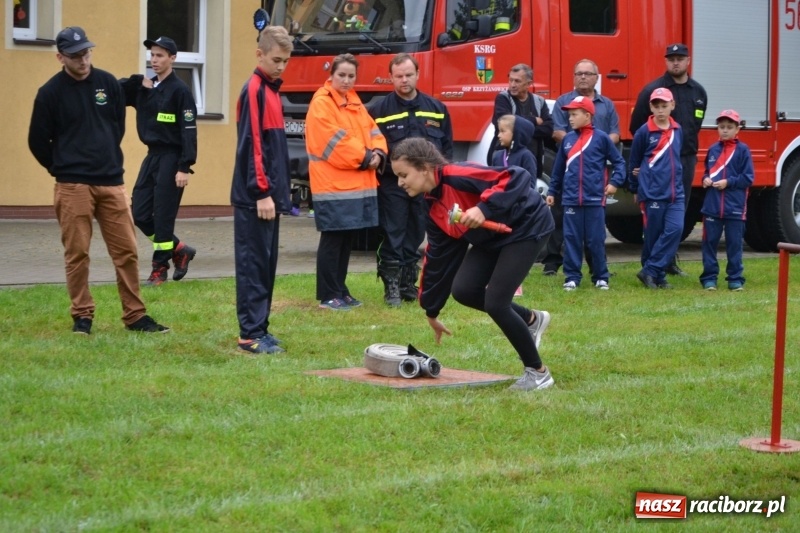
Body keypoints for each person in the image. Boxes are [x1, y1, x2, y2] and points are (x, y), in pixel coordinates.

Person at [27, 26, 169, 334]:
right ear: (60, 58)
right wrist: (61, 168)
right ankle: (82, 315)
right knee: (77, 254)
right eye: (75, 56)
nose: (83, 60)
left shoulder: (107, 84)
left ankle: (135, 316)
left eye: (86, 53)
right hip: (72, 185)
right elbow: (37, 141)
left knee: (126, 251)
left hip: (111, 182)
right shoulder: (50, 93)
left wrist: (105, 158)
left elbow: (116, 126)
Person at [390, 137, 555, 391]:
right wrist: (431, 310)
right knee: (464, 290)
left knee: (496, 303)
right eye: (398, 177)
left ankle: (538, 373)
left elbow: (515, 177)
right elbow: (438, 257)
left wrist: (483, 208)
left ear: (424, 168)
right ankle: (531, 320)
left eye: (404, 175)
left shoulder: (457, 174)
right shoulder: (431, 206)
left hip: (526, 226)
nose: (400, 183)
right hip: (492, 239)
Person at [369, 53, 453, 307]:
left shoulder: (437, 109)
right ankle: (391, 287)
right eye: (398, 76)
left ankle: (407, 284)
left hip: (425, 187)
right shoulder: (378, 111)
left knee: (416, 234)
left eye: (408, 75)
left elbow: (446, 150)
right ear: (391, 77)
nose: (404, 80)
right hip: (392, 185)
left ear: (418, 74)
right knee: (393, 233)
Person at [229, 26, 294, 354]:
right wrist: (262, 192)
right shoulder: (254, 89)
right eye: (276, 60)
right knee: (253, 265)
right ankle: (249, 334)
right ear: (260, 55)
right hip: (255, 198)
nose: (281, 67)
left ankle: (261, 328)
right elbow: (252, 145)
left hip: (270, 198)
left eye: (285, 61)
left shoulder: (271, 90)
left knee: (266, 265)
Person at [306, 53, 388, 311]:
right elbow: (335, 143)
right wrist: (368, 157)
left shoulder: (353, 101)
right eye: (341, 75)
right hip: (332, 186)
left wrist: (379, 153)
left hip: (352, 186)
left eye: (351, 76)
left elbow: (374, 132)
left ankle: (340, 290)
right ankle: (328, 295)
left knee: (345, 240)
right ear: (331, 75)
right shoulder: (322, 102)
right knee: (333, 240)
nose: (346, 80)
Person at [119, 36, 198, 286]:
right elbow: (115, 90)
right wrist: (137, 82)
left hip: (172, 159)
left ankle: (159, 269)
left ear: (172, 58)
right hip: (152, 156)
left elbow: (188, 130)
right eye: (152, 55)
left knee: (163, 216)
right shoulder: (146, 88)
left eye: (160, 55)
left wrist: (184, 166)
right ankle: (180, 249)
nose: (154, 60)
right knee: (140, 213)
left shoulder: (180, 91)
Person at [630, 43, 708, 277]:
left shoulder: (699, 92)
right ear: (666, 61)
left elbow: (696, 125)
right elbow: (637, 128)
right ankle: (652, 264)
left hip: (685, 160)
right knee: (656, 217)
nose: (676, 62)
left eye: (680, 58)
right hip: (658, 163)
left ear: (688, 61)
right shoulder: (653, 90)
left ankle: (668, 261)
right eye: (671, 58)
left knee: (677, 214)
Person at [544, 59, 621, 276]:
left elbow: (615, 133)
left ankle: (598, 269)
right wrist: (579, 146)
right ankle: (554, 263)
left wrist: (598, 146)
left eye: (588, 73)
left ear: (597, 78)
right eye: (579, 73)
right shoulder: (563, 101)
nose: (583, 77)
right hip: (570, 168)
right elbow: (557, 131)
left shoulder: (607, 104)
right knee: (563, 218)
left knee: (595, 226)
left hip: (595, 173)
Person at [627, 88, 685, 290]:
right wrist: (635, 188)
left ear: (672, 105)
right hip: (652, 193)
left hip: (676, 192)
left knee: (675, 229)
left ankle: (650, 270)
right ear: (651, 107)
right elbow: (634, 162)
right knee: (653, 236)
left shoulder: (677, 129)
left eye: (664, 106)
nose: (661, 110)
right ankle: (657, 276)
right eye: (656, 106)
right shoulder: (644, 132)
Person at [699, 109, 754, 291]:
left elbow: (748, 178)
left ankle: (735, 279)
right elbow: (707, 172)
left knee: (734, 244)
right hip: (712, 206)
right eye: (721, 126)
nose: (725, 130)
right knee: (709, 243)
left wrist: (728, 182)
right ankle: (709, 278)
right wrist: (705, 179)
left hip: (735, 207)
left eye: (729, 127)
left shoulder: (743, 150)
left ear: (737, 129)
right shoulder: (713, 149)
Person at [491, 113, 538, 297]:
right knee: (498, 245)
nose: (499, 135)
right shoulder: (497, 156)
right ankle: (495, 281)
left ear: (517, 134)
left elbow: (530, 184)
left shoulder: (526, 156)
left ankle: (514, 284)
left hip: (518, 211)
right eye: (498, 131)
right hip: (500, 210)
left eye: (503, 131)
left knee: (514, 247)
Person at [487, 63, 553, 181]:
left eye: (517, 81)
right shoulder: (503, 98)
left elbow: (548, 129)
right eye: (510, 80)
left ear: (528, 84)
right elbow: (503, 121)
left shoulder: (540, 101)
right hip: (505, 161)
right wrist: (533, 120)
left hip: (532, 159)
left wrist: (516, 126)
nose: (512, 85)